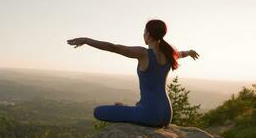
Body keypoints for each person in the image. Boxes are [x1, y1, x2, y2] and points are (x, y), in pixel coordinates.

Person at [66, 19, 199, 127]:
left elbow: (113, 47)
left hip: (150, 114)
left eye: (144, 32)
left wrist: (86, 40)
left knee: (98, 112)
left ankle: (130, 111)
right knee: (128, 109)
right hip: (166, 114)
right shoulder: (169, 54)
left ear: (148, 34)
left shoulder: (143, 54)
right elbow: (181, 54)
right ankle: (131, 110)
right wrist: (189, 52)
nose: (143, 35)